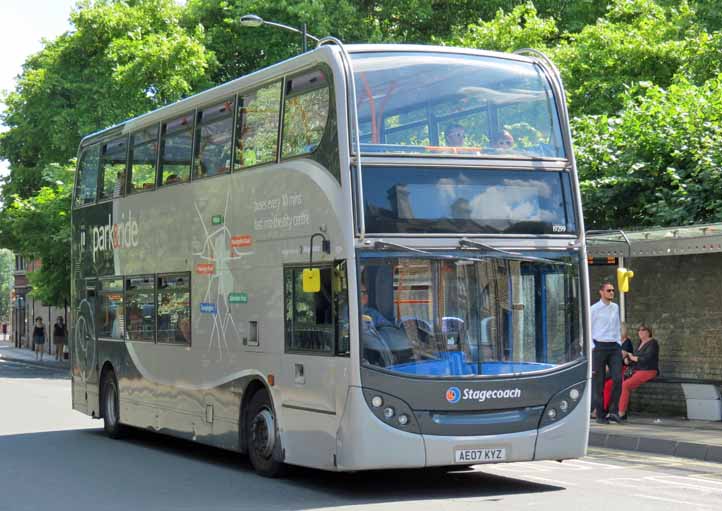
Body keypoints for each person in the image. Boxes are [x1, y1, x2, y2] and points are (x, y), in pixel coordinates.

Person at [590, 281, 623, 424]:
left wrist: (619, 343)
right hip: (599, 346)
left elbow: (617, 326)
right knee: (599, 382)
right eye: (609, 290)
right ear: (601, 292)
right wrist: (592, 347)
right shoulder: (594, 309)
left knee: (617, 378)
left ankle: (614, 411)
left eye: (613, 290)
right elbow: (587, 328)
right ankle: (600, 415)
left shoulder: (615, 307)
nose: (611, 293)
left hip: (613, 346)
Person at [618, 324, 660, 421]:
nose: (640, 332)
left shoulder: (653, 343)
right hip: (637, 370)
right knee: (619, 382)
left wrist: (633, 357)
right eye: (639, 330)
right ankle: (617, 410)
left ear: (648, 332)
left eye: (643, 330)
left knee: (626, 385)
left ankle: (621, 413)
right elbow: (635, 356)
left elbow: (647, 359)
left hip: (648, 370)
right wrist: (628, 359)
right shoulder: (640, 342)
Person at [603, 322, 634, 413]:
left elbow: (620, 358)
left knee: (608, 385)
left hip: (622, 371)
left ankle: (604, 409)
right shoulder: (617, 342)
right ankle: (601, 408)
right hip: (614, 369)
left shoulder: (627, 342)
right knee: (602, 383)